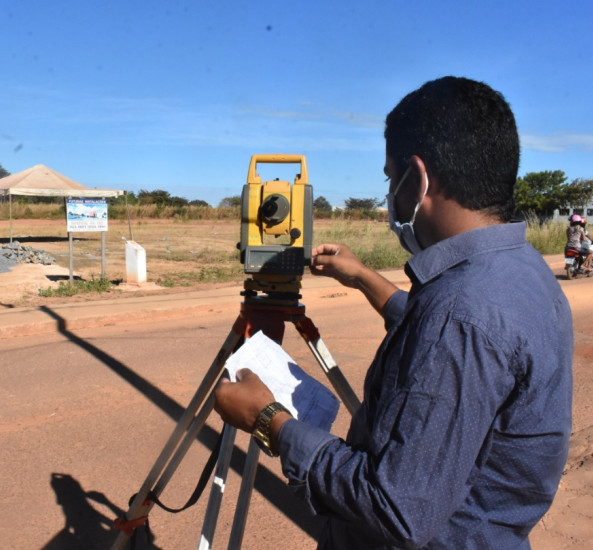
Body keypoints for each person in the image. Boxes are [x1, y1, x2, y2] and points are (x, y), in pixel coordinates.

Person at [213, 76, 573, 549]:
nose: (391, 195)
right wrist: (364, 277)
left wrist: (269, 420)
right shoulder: (520, 271)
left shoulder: (461, 316)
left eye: (390, 178)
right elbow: (438, 334)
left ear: (418, 179)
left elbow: (395, 507)